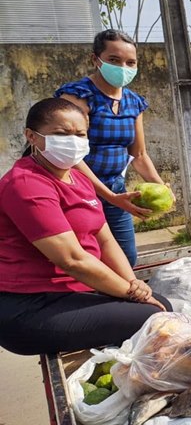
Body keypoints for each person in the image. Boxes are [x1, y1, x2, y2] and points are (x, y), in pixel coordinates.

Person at [0, 98, 171, 356]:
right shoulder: (26, 183)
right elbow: (73, 260)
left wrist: (134, 284)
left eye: (80, 134)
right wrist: (133, 294)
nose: (72, 140)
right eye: (61, 133)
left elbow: (105, 240)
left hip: (73, 292)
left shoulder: (78, 178)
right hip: (30, 306)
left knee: (160, 306)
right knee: (154, 315)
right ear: (31, 137)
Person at [56, 29, 171, 267]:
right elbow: (70, 155)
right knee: (86, 259)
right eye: (114, 60)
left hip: (115, 188)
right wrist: (109, 197)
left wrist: (162, 188)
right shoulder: (78, 97)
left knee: (126, 257)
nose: (123, 68)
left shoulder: (133, 102)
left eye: (131, 62)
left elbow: (138, 155)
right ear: (95, 59)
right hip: (77, 190)